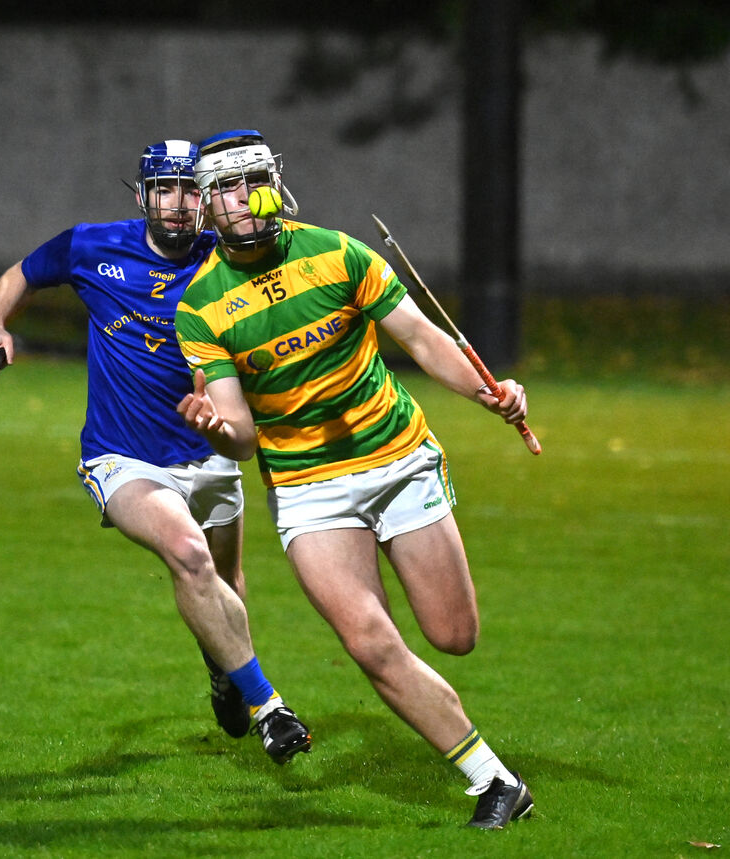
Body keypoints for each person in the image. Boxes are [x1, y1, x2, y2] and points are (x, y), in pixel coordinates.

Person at [174, 129, 534, 827]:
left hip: (398, 458)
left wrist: (491, 393)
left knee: (453, 634)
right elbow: (244, 439)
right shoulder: (201, 307)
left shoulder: (338, 252)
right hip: (310, 487)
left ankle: (467, 739)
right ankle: (494, 781)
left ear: (274, 182)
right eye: (224, 189)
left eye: (252, 180)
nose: (242, 199)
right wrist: (219, 430)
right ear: (207, 209)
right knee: (369, 640)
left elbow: (425, 340)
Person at [0, 140, 311, 764]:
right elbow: (17, 277)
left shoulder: (228, 258)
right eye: (164, 189)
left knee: (228, 582)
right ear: (142, 195)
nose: (178, 204)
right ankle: (271, 708)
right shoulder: (91, 246)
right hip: (122, 457)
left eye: (190, 190)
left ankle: (224, 673)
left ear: (207, 199)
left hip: (210, 451)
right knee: (187, 555)